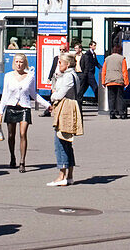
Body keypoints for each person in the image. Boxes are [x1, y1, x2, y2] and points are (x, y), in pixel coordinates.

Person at [0, 53, 48, 171]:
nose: (19, 64)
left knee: (23, 133)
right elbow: (5, 94)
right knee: (11, 135)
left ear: (25, 63)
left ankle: (22, 161)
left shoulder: (30, 76)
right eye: (17, 62)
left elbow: (33, 94)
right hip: (11, 107)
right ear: (14, 63)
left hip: (24, 107)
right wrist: (0, 110)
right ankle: (12, 157)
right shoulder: (8, 76)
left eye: (21, 62)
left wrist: (47, 105)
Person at [49, 53, 82, 186]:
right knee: (67, 142)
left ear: (67, 64)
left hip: (65, 107)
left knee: (60, 141)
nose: (58, 65)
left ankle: (62, 175)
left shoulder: (68, 76)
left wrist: (52, 96)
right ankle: (69, 175)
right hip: (70, 105)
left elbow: (59, 93)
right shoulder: (73, 75)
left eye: (60, 63)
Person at [100, 44, 130, 119]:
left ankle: (112, 113)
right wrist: (126, 82)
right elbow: (124, 71)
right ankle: (121, 113)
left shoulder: (107, 59)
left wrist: (103, 81)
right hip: (119, 80)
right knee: (120, 97)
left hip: (109, 81)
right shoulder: (122, 59)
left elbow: (104, 71)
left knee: (111, 97)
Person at [78, 41, 99, 106]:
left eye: (95, 45)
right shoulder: (87, 54)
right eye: (94, 45)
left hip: (91, 73)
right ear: (90, 46)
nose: (95, 47)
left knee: (84, 88)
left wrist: (102, 68)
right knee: (95, 87)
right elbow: (86, 64)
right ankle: (98, 100)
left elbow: (96, 63)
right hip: (89, 74)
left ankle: (78, 99)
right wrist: (86, 72)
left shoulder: (94, 54)